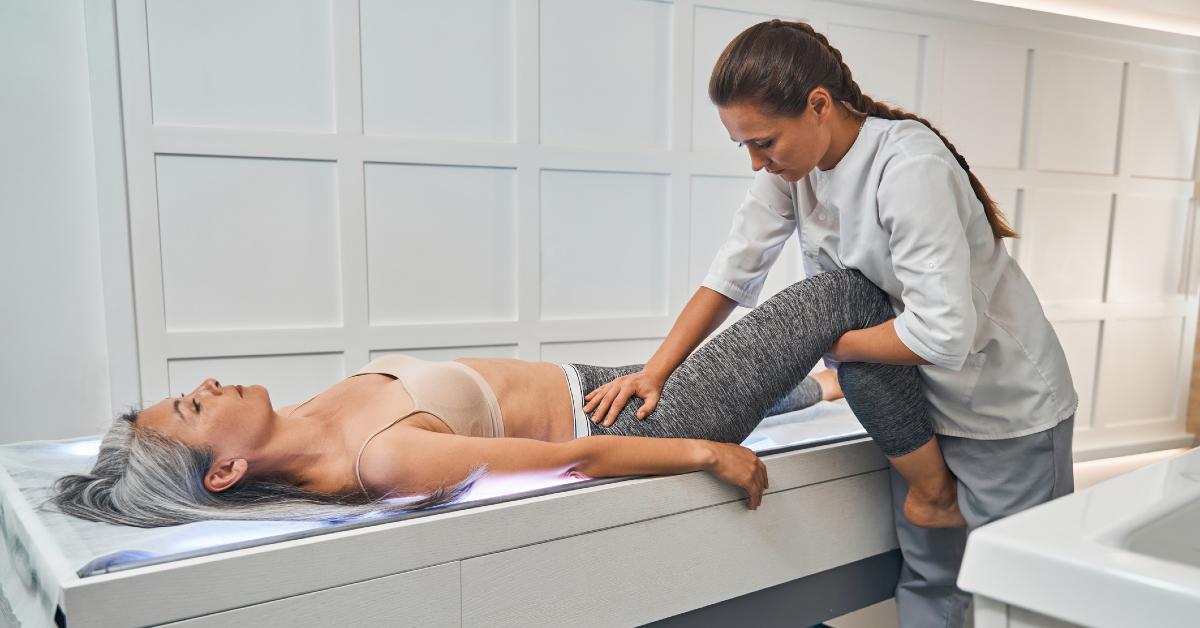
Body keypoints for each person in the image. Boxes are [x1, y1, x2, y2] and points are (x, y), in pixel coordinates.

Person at [582, 20, 1077, 628]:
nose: (757, 162)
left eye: (764, 142)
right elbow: (733, 271)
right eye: (745, 148)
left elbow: (942, 334)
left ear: (819, 105)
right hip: (917, 400)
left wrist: (822, 338)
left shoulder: (908, 168)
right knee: (929, 575)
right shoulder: (793, 172)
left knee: (1018, 593)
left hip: (1002, 406)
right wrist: (656, 371)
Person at [52, 265, 936, 529]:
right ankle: (934, 484)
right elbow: (572, 459)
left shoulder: (308, 413)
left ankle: (820, 385)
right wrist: (707, 449)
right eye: (196, 410)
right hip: (639, 420)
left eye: (190, 393)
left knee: (777, 367)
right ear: (226, 471)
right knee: (837, 295)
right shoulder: (385, 458)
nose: (205, 387)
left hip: (594, 384)